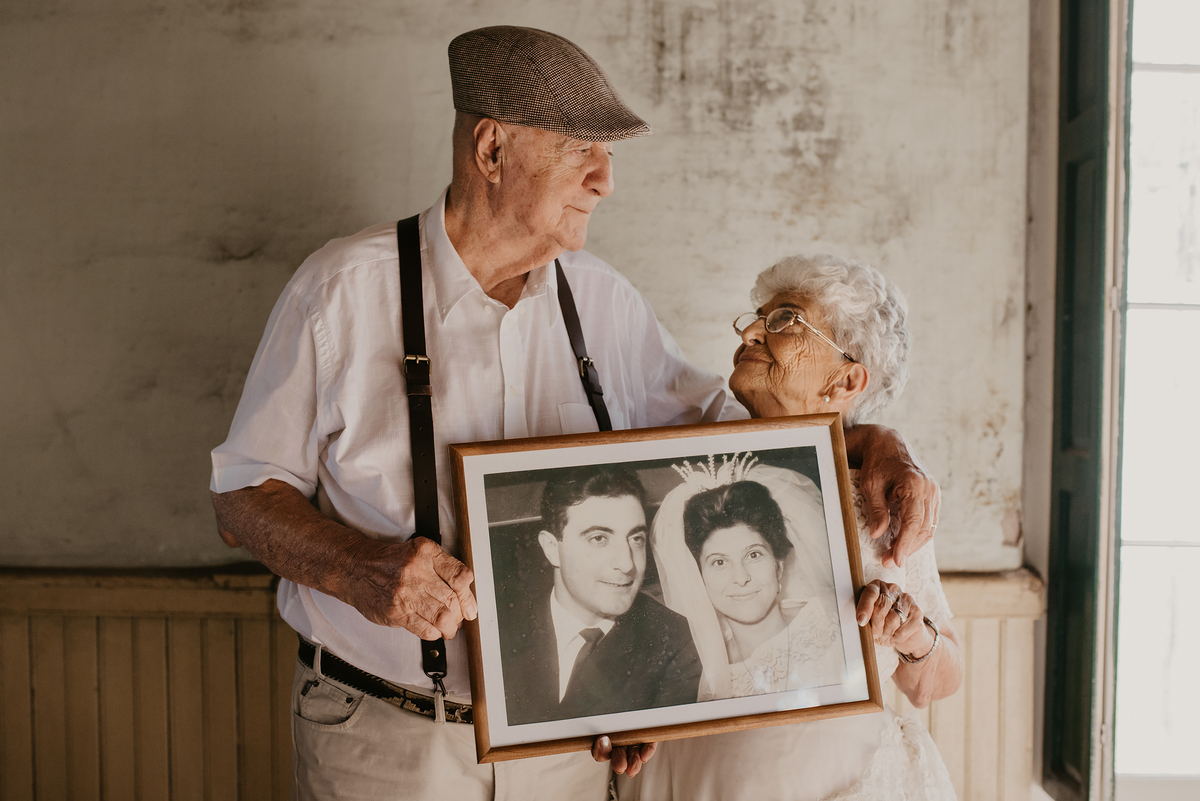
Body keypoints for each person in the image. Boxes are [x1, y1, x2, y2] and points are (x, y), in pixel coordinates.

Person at [209, 24, 942, 799]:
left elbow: (743, 427)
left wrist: (879, 440)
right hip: (384, 736)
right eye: (579, 152)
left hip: (564, 757)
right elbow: (240, 496)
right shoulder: (338, 292)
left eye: (609, 157)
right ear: (491, 151)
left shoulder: (603, 302)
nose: (604, 181)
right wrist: (358, 569)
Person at [620, 254, 964, 801]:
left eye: (784, 319)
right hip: (685, 779)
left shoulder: (883, 503)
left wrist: (911, 635)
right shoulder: (692, 430)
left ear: (846, 378)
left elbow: (936, 683)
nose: (753, 330)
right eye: (758, 316)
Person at [500, 465, 700, 724]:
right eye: (599, 539)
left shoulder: (676, 641)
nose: (627, 564)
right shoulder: (499, 627)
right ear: (551, 548)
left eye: (635, 539)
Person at [655, 468, 845, 701]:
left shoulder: (835, 622)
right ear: (700, 580)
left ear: (779, 566)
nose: (741, 577)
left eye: (753, 555)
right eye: (719, 562)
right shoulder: (703, 676)